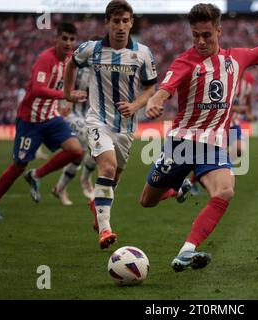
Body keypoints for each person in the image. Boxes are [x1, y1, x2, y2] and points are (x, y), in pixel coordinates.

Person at [140, 3, 258, 272]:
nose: (201, 41)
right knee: (147, 201)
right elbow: (166, 87)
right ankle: (178, 189)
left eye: (207, 34)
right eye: (195, 35)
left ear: (219, 30)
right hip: (181, 144)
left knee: (226, 190)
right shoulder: (185, 61)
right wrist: (156, 101)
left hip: (214, 145)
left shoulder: (236, 58)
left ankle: (186, 251)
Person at [66, 0, 157, 249]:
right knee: (107, 167)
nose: (120, 26)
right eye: (115, 21)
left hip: (126, 127)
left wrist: (136, 106)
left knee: (115, 175)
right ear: (107, 23)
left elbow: (151, 88)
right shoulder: (91, 49)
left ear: (131, 23)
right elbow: (71, 64)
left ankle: (97, 204)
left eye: (125, 21)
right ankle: (105, 230)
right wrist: (67, 93)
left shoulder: (143, 53)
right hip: (98, 121)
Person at [0, 22, 86, 221]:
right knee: (19, 165)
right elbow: (37, 89)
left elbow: (69, 80)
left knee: (76, 151)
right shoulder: (45, 59)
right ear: (56, 38)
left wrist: (67, 102)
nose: (68, 43)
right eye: (64, 38)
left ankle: (36, 175)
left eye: (72, 39)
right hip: (30, 120)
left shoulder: (70, 59)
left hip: (51, 117)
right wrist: (65, 95)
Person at [52, 65, 97, 205]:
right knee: (81, 151)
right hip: (72, 113)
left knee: (98, 149)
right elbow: (60, 84)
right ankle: (81, 182)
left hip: (92, 114)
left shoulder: (104, 67)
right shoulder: (74, 66)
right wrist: (61, 103)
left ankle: (63, 186)